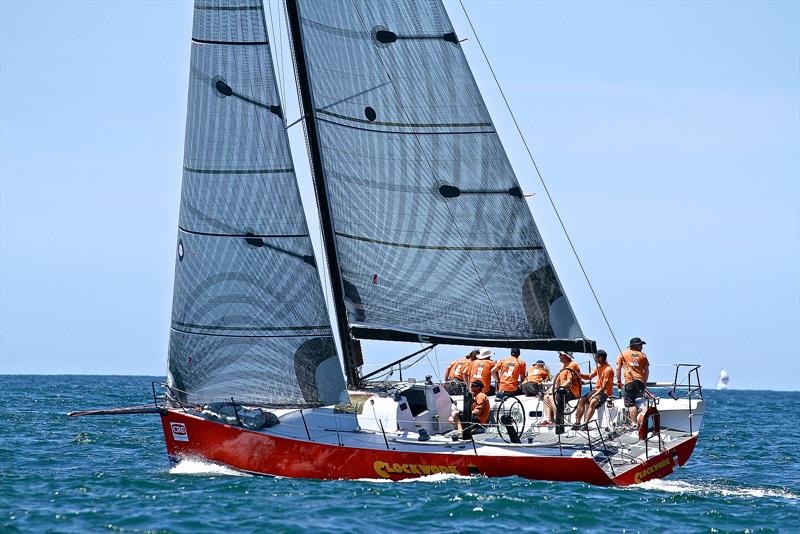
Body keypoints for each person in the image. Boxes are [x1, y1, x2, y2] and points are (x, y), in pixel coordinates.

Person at [573, 350, 614, 428]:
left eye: (596, 357)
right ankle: (577, 423)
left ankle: (585, 424)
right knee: (582, 400)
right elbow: (588, 377)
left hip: (605, 392)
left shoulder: (608, 369)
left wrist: (593, 395)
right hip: (597, 390)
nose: (594, 358)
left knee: (593, 401)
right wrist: (578, 375)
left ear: (600, 358)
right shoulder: (598, 368)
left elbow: (603, 388)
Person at [616, 337, 650, 425]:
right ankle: (643, 421)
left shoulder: (623, 354)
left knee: (631, 404)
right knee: (641, 402)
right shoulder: (643, 356)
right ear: (636, 345)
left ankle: (634, 424)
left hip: (630, 382)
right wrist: (644, 383)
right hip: (640, 382)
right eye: (641, 345)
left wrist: (619, 381)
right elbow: (646, 371)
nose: (642, 347)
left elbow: (618, 369)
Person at [541, 351, 581, 425]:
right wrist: (549, 391)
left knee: (552, 398)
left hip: (573, 392)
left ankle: (559, 420)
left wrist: (556, 390)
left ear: (565, 356)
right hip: (562, 390)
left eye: (560, 354)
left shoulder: (572, 365)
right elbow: (557, 383)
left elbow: (569, 382)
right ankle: (549, 420)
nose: (559, 356)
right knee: (546, 397)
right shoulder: (562, 367)